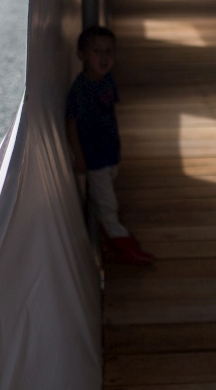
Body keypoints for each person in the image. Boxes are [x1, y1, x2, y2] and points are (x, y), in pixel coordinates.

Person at [66, 25, 155, 265]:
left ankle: (108, 238)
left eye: (109, 51)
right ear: (81, 54)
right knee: (108, 204)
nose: (104, 57)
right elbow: (72, 123)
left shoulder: (107, 82)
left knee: (103, 198)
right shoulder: (81, 91)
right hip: (94, 159)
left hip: (109, 153)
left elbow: (110, 116)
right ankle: (121, 242)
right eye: (97, 51)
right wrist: (79, 157)